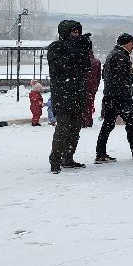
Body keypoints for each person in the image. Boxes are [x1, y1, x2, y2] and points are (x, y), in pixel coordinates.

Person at [46, 19, 91, 173]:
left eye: (78, 32)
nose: (76, 35)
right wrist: (74, 49)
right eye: (73, 32)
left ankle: (68, 157)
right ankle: (55, 160)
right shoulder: (56, 47)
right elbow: (61, 66)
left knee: (75, 129)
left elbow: (86, 65)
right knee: (63, 129)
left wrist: (84, 49)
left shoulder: (77, 48)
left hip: (77, 94)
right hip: (63, 94)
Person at [95, 32, 133, 164]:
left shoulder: (113, 54)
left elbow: (107, 76)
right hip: (120, 97)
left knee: (108, 124)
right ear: (126, 43)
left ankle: (100, 153)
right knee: (131, 123)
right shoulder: (120, 56)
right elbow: (121, 78)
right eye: (132, 43)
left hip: (110, 95)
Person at [83, 43, 103, 128]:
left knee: (83, 104)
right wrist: (96, 85)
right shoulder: (97, 61)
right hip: (92, 86)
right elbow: (99, 76)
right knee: (90, 104)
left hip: (83, 86)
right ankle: (89, 120)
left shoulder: (82, 61)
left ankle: (84, 120)